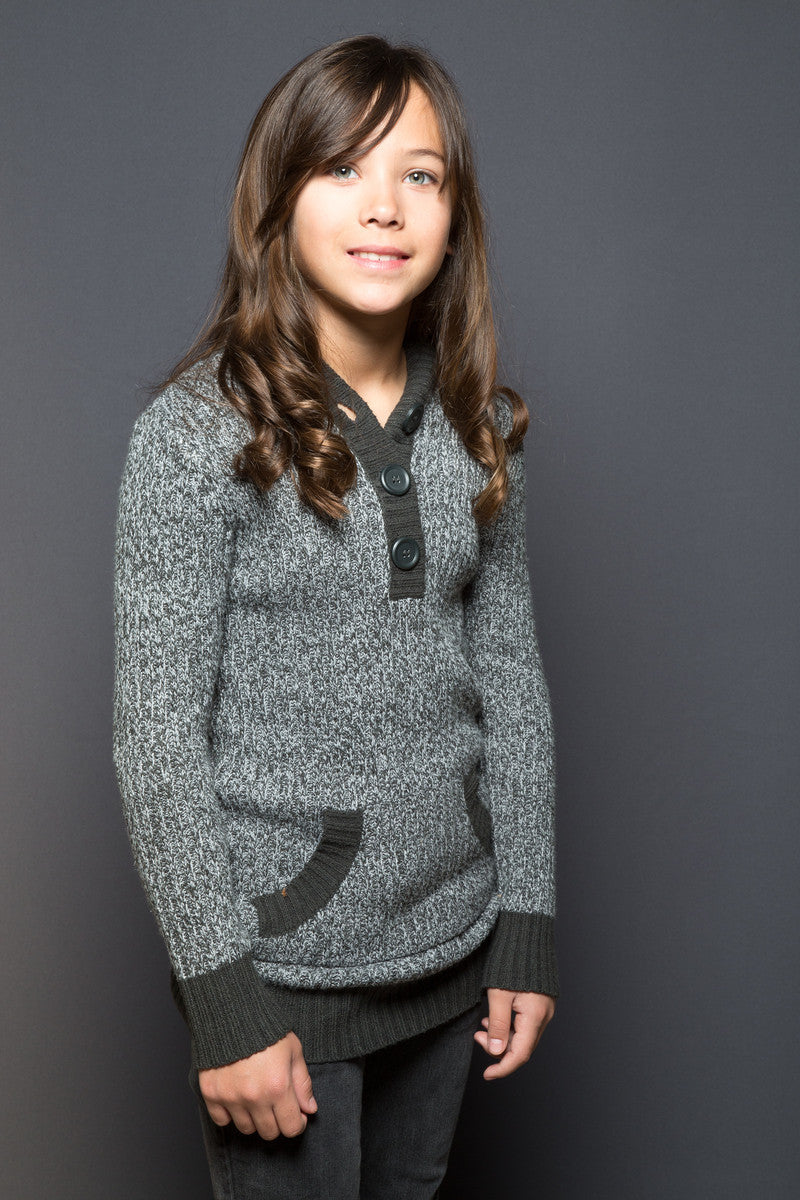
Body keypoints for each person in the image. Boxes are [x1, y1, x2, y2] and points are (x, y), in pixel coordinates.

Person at [112, 32, 559, 1200]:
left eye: (419, 174)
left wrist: (525, 916)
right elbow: (156, 737)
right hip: (282, 979)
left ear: (454, 214)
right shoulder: (195, 436)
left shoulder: (483, 430)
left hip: (455, 955)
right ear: (279, 199)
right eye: (342, 168)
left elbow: (511, 685)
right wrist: (223, 1000)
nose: (383, 207)